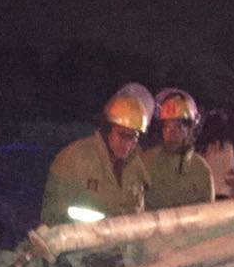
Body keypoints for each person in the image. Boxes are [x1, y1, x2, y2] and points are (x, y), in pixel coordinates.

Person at [39, 92, 149, 227]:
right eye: (122, 135)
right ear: (107, 130)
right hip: (82, 239)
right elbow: (52, 217)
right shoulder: (73, 159)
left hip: (122, 240)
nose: (127, 144)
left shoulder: (137, 167)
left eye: (133, 137)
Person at [141, 89, 214, 210]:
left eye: (178, 127)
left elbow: (207, 214)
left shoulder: (200, 170)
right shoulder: (147, 161)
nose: (172, 133)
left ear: (190, 129)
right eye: (167, 127)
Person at [197, 109, 234, 199]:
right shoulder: (228, 147)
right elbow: (229, 173)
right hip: (224, 192)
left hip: (207, 193)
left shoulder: (201, 149)